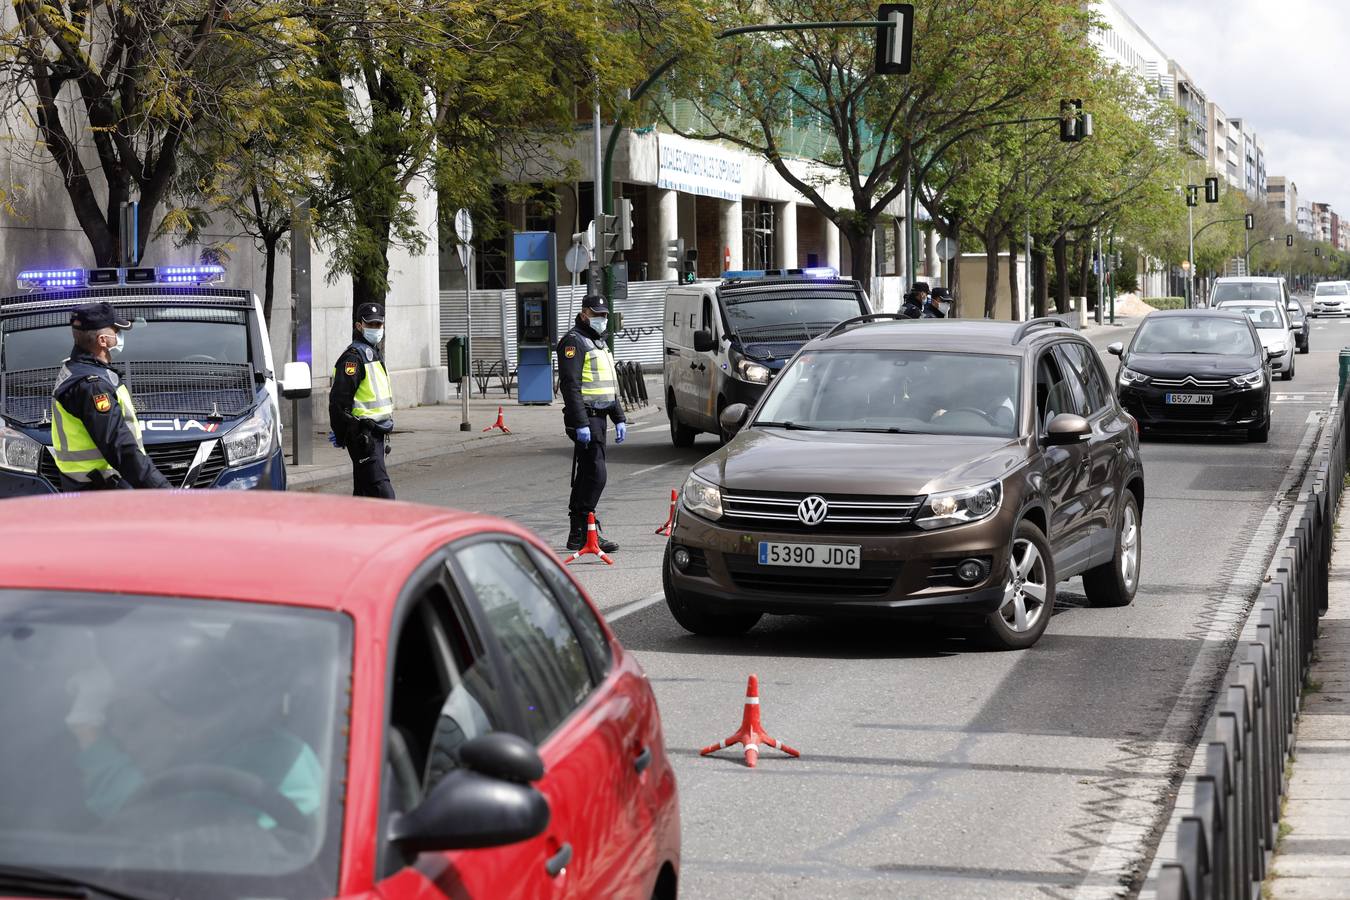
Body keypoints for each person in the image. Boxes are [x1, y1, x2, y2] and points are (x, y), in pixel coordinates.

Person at [50, 302, 171, 490]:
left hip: (88, 484)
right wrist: (162, 490)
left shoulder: (76, 369)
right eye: (116, 331)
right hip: (101, 488)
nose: (119, 337)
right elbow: (120, 447)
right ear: (103, 341)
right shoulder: (93, 386)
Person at [558, 294, 627, 552]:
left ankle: (580, 533)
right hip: (586, 418)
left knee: (588, 474)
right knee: (596, 474)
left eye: (605, 315)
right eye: (597, 314)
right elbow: (571, 385)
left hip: (600, 417)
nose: (602, 319)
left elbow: (609, 385)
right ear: (584, 313)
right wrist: (580, 422)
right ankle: (585, 527)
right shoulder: (573, 342)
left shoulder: (599, 342)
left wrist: (619, 417)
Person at [329, 302, 395, 499]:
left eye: (379, 325)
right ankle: (396, 529)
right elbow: (339, 401)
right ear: (359, 326)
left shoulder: (372, 352)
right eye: (371, 325)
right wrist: (342, 433)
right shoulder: (353, 357)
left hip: (377, 433)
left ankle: (355, 529)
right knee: (383, 494)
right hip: (363, 436)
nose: (376, 329)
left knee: (364, 494)